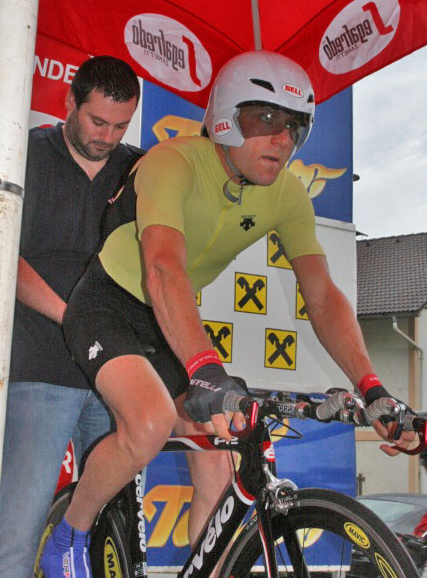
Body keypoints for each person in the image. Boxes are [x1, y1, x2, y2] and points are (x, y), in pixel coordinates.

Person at [40, 50, 414, 578]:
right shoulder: (172, 161)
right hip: (107, 305)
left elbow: (323, 296)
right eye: (266, 119)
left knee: (219, 455)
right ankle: (69, 535)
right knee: (149, 424)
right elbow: (163, 268)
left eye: (295, 126)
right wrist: (203, 367)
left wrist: (372, 387)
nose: (282, 139)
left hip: (168, 321)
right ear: (225, 119)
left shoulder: (287, 194)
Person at [0, 55, 142, 578]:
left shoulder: (141, 169)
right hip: (41, 368)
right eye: (97, 121)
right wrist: (75, 320)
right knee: (17, 536)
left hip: (116, 376)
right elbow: (6, 259)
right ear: (68, 102)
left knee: (113, 538)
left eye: (121, 126)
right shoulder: (25, 155)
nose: (108, 137)